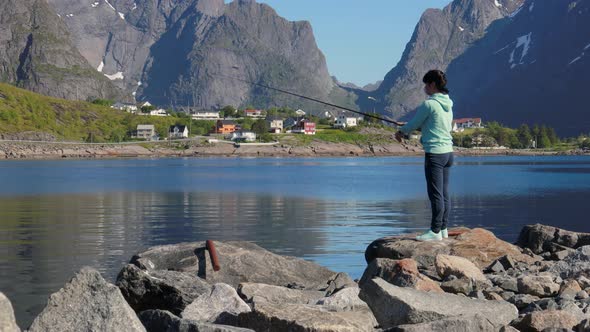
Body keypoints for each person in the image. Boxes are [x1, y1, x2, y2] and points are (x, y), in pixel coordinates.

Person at [395, 70, 454, 241]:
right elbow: (433, 125)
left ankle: (435, 231)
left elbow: (414, 124)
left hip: (435, 154)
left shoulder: (429, 104)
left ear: (433, 84)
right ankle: (443, 229)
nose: (425, 88)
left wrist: (401, 131)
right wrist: (412, 126)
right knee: (444, 193)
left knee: (435, 194)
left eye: (426, 85)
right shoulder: (448, 104)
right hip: (448, 153)